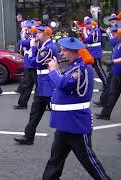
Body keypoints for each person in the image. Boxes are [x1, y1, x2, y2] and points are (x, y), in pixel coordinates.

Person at [42, 37, 111, 180]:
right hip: (64, 122)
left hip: (75, 123)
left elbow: (64, 84)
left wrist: (54, 71)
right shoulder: (74, 65)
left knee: (89, 161)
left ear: (74, 52)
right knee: (55, 160)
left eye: (64, 51)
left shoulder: (81, 68)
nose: (61, 54)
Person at [14, 25, 58, 145]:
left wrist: (32, 48)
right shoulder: (44, 46)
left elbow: (35, 62)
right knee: (35, 112)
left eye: (39, 33)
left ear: (46, 34)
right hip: (42, 83)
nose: (36, 35)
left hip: (48, 83)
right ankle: (28, 136)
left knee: (58, 110)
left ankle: (69, 134)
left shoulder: (48, 48)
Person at [93, 13, 121, 107]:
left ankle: (104, 105)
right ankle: (103, 102)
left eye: (113, 22)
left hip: (118, 63)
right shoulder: (115, 30)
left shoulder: (118, 31)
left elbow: (113, 42)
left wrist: (110, 33)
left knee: (113, 87)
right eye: (111, 22)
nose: (111, 24)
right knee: (110, 84)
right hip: (115, 61)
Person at [14, 20, 38, 109]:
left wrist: (23, 36)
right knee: (27, 85)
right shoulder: (31, 36)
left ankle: (47, 103)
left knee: (38, 86)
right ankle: (22, 103)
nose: (27, 29)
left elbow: (24, 43)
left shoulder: (35, 37)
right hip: (29, 64)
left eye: (28, 28)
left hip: (33, 65)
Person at [84, 17, 107, 88]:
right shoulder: (93, 30)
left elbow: (88, 40)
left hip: (95, 52)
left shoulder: (95, 30)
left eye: (87, 24)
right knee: (87, 69)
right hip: (92, 52)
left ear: (90, 24)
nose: (86, 26)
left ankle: (106, 84)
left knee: (99, 69)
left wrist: (85, 33)